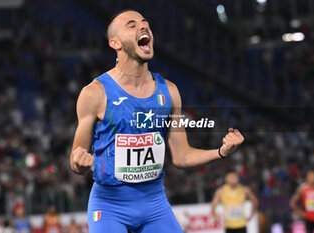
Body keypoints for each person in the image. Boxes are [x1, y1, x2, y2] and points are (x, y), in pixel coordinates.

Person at [69, 9, 244, 233]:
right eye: (131, 25)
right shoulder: (95, 94)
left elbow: (181, 156)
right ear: (115, 43)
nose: (143, 27)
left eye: (145, 23)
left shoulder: (169, 92)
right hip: (110, 205)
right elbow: (77, 159)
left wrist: (220, 152)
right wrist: (80, 163)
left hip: (154, 204)